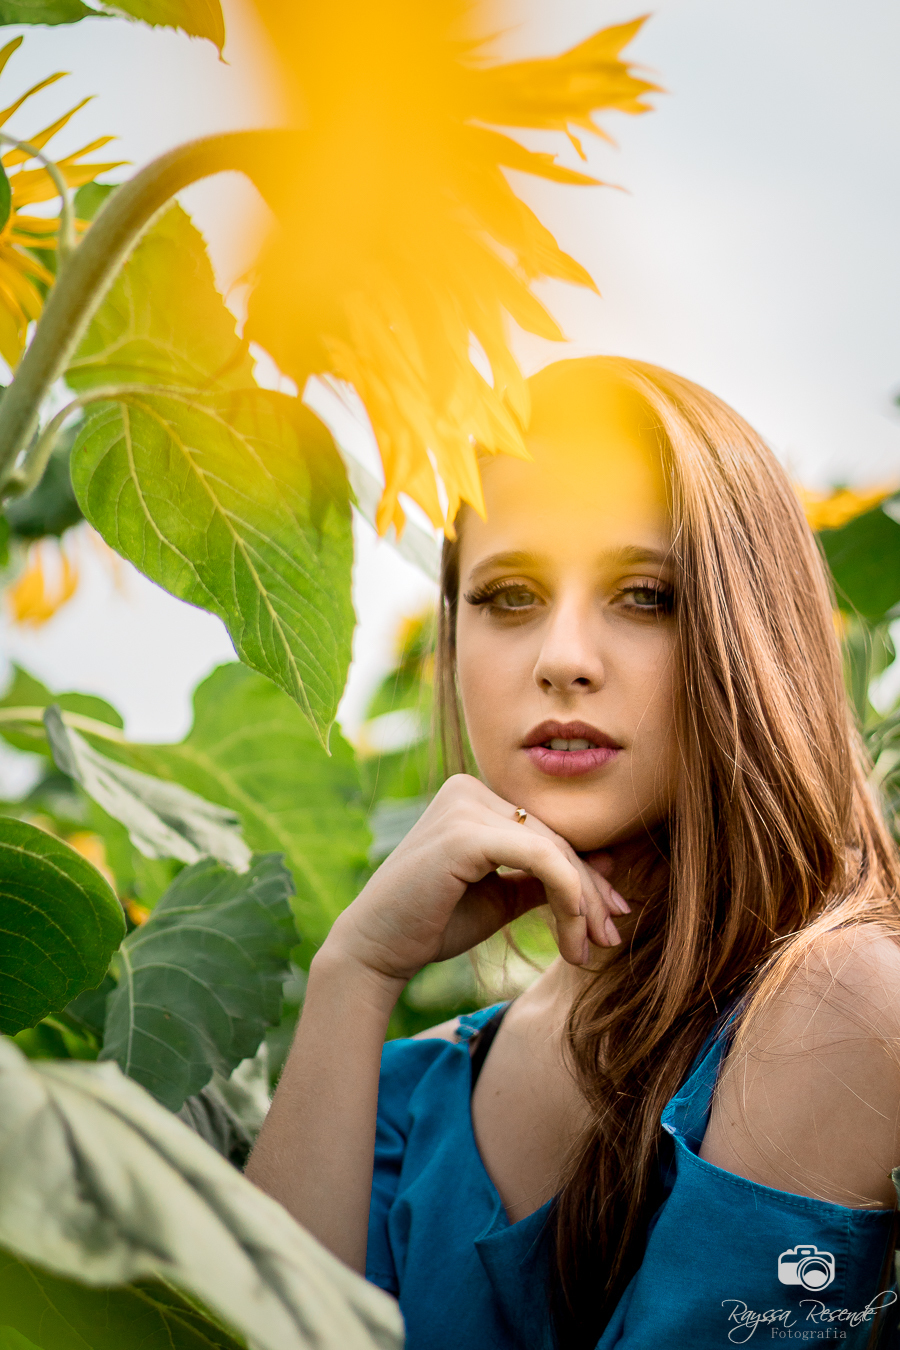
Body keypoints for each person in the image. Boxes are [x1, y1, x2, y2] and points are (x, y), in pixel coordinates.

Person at [245, 356, 900, 1350]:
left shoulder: (836, 1008)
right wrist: (354, 971)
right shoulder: (407, 1095)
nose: (563, 658)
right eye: (508, 596)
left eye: (645, 595)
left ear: (749, 630)